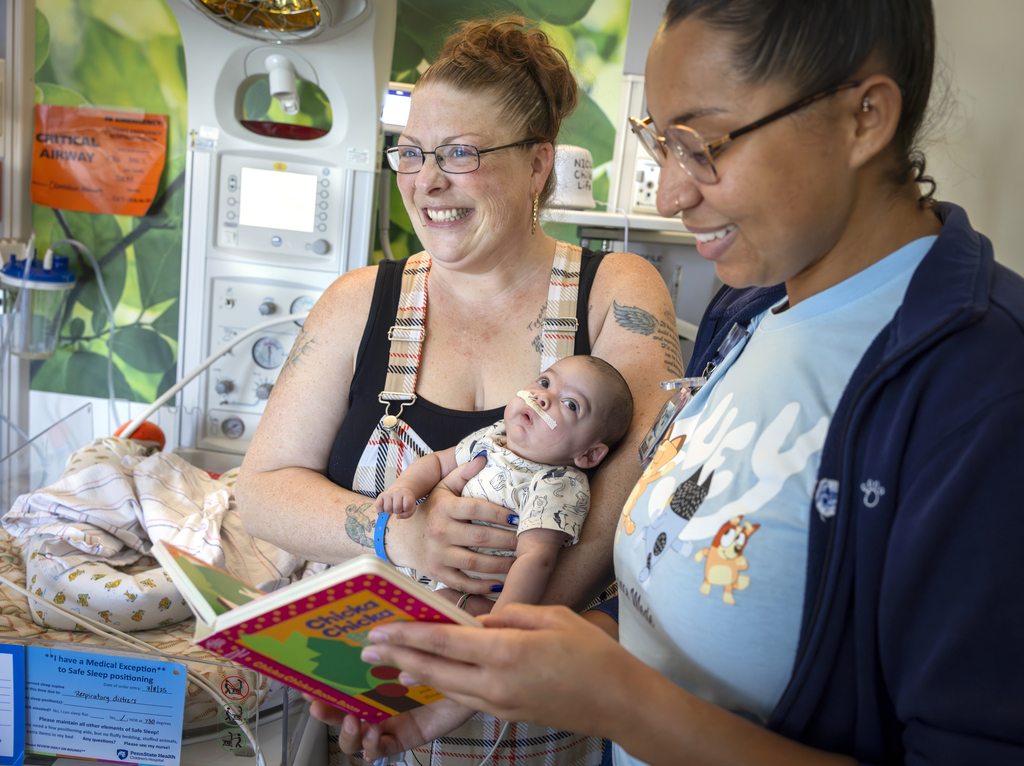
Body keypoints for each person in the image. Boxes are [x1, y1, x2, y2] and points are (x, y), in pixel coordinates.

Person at [327, 1, 1024, 764]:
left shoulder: (981, 386)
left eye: (702, 144)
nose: (669, 195)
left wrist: (617, 699)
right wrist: (489, 678)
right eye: (660, 143)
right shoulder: (752, 309)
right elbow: (678, 607)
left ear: (864, 117)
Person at [235, 14, 681, 766]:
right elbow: (262, 491)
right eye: (410, 153)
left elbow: (622, 504)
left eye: (461, 153)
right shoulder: (357, 303)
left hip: (545, 724)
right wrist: (397, 530)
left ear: (538, 164)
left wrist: (476, 662)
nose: (427, 181)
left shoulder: (616, 290)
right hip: (371, 716)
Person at [377, 355, 634, 615]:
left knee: (423, 614)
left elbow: (535, 560)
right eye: (544, 382)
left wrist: (502, 617)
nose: (542, 398)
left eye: (570, 405)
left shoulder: (558, 484)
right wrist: (405, 489)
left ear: (589, 454)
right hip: (422, 566)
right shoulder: (494, 437)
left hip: (481, 597)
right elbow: (436, 463)